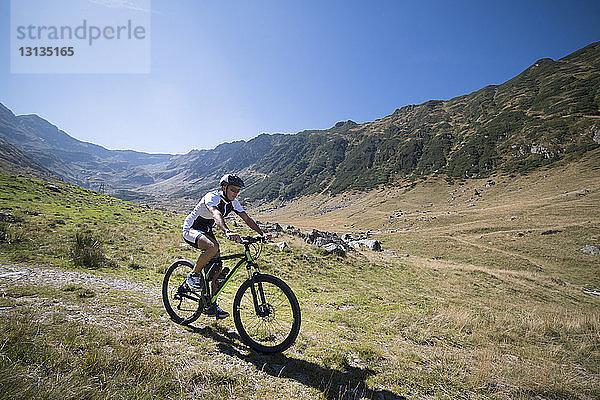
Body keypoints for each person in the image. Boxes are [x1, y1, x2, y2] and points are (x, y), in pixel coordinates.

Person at [181, 174, 266, 319]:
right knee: (213, 247)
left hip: (206, 231)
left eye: (238, 190)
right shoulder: (212, 197)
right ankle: (194, 274)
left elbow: (246, 218)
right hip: (191, 229)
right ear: (224, 187)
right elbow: (216, 214)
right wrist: (227, 231)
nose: (236, 193)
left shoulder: (234, 202)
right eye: (233, 190)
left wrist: (262, 233)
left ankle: (211, 305)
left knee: (217, 271)